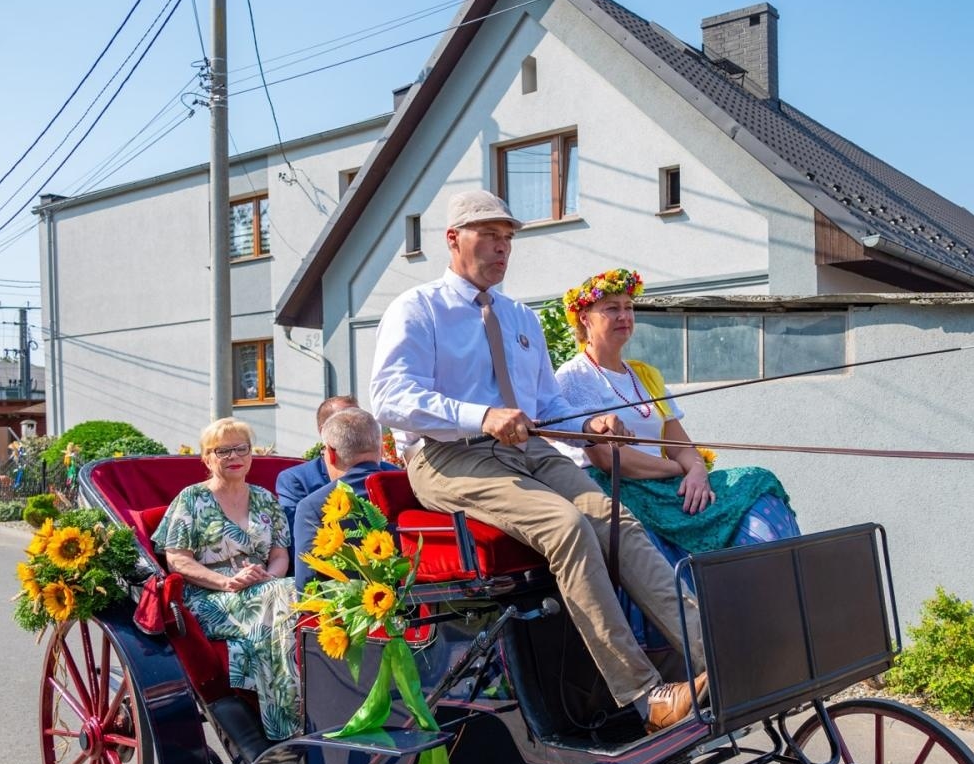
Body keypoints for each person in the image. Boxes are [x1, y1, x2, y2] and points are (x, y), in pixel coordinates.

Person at [370, 190, 705, 734]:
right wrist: (481, 415)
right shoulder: (418, 308)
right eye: (489, 237)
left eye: (507, 239)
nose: (502, 249)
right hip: (448, 455)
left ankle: (717, 655)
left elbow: (548, 405)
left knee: (615, 520)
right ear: (453, 240)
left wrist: (590, 424)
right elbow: (390, 398)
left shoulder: (519, 316)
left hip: (530, 450)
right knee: (566, 526)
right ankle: (647, 698)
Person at [553, 268, 799, 562]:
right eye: (612, 309)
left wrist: (697, 472)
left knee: (756, 481)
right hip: (618, 487)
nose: (624, 316)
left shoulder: (645, 375)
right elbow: (607, 459)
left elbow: (681, 445)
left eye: (629, 307)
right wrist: (678, 469)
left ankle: (782, 576)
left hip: (664, 483)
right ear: (585, 318)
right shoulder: (575, 375)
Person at [152, 417, 300, 740]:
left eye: (241, 448)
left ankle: (320, 703)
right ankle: (287, 722)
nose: (234, 456)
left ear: (251, 455)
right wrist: (227, 582)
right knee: (282, 597)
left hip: (265, 588)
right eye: (223, 451)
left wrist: (267, 577)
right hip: (210, 597)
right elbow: (177, 559)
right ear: (207, 458)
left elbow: (280, 555)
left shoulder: (265, 499)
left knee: (295, 590)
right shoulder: (191, 499)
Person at [293, 407, 399, 588]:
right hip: (426, 602)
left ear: (331, 453)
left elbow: (307, 584)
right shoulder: (412, 490)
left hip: (348, 604)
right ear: (381, 449)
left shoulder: (313, 506)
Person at [275, 394, 360, 549]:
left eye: (360, 419)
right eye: (346, 423)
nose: (357, 428)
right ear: (324, 432)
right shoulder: (297, 480)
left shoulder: (388, 472)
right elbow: (299, 542)